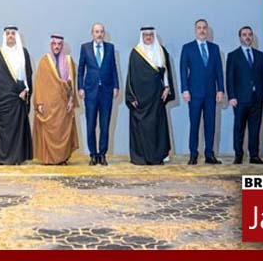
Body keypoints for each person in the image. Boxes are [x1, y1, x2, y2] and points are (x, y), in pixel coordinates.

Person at [125, 27, 175, 165]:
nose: (148, 37)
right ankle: (141, 157)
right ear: (142, 36)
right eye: (145, 35)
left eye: (151, 35)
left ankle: (159, 155)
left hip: (157, 97)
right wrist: (131, 96)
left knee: (157, 127)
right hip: (140, 100)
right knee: (142, 128)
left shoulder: (161, 51)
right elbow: (130, 76)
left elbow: (166, 72)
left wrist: (167, 88)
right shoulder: (135, 53)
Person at [179, 19, 224, 165]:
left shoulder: (214, 48)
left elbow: (219, 71)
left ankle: (209, 154)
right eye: (199, 28)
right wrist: (185, 89)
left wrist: (220, 89)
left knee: (210, 125)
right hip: (194, 94)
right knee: (194, 125)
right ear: (195, 30)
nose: (202, 30)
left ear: (207, 30)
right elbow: (183, 70)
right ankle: (193, 154)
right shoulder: (188, 48)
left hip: (211, 94)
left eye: (204, 28)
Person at [226, 26, 263, 165]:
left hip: (257, 98)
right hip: (240, 99)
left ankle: (254, 156)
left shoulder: (259, 55)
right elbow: (229, 78)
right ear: (240, 37)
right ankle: (238, 155)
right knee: (239, 128)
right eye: (244, 34)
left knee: (255, 129)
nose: (247, 37)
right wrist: (231, 96)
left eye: (250, 34)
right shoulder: (233, 55)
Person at [33, 34, 79, 165]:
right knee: (49, 131)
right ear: (51, 45)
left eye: (59, 44)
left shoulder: (69, 61)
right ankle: (48, 159)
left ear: (62, 46)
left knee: (62, 132)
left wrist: (71, 100)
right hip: (48, 103)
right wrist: (39, 102)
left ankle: (62, 158)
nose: (56, 47)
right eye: (54, 44)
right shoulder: (44, 61)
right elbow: (39, 82)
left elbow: (72, 82)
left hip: (63, 103)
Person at [78, 23, 119, 166]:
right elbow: (80, 70)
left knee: (105, 125)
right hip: (90, 92)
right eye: (96, 31)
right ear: (92, 33)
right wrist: (80, 87)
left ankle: (102, 154)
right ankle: (93, 155)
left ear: (104, 33)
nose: (99, 34)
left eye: (101, 31)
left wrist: (116, 86)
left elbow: (113, 68)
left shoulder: (110, 48)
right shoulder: (85, 48)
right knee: (90, 125)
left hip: (106, 91)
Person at [0, 26, 33, 165]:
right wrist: (7, 93)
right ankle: (2, 158)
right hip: (4, 98)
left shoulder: (23, 52)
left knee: (17, 129)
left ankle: (17, 157)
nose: (10, 36)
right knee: (4, 129)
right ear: (5, 36)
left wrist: (25, 90)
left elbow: (28, 74)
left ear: (16, 36)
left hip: (19, 97)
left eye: (13, 34)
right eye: (8, 33)